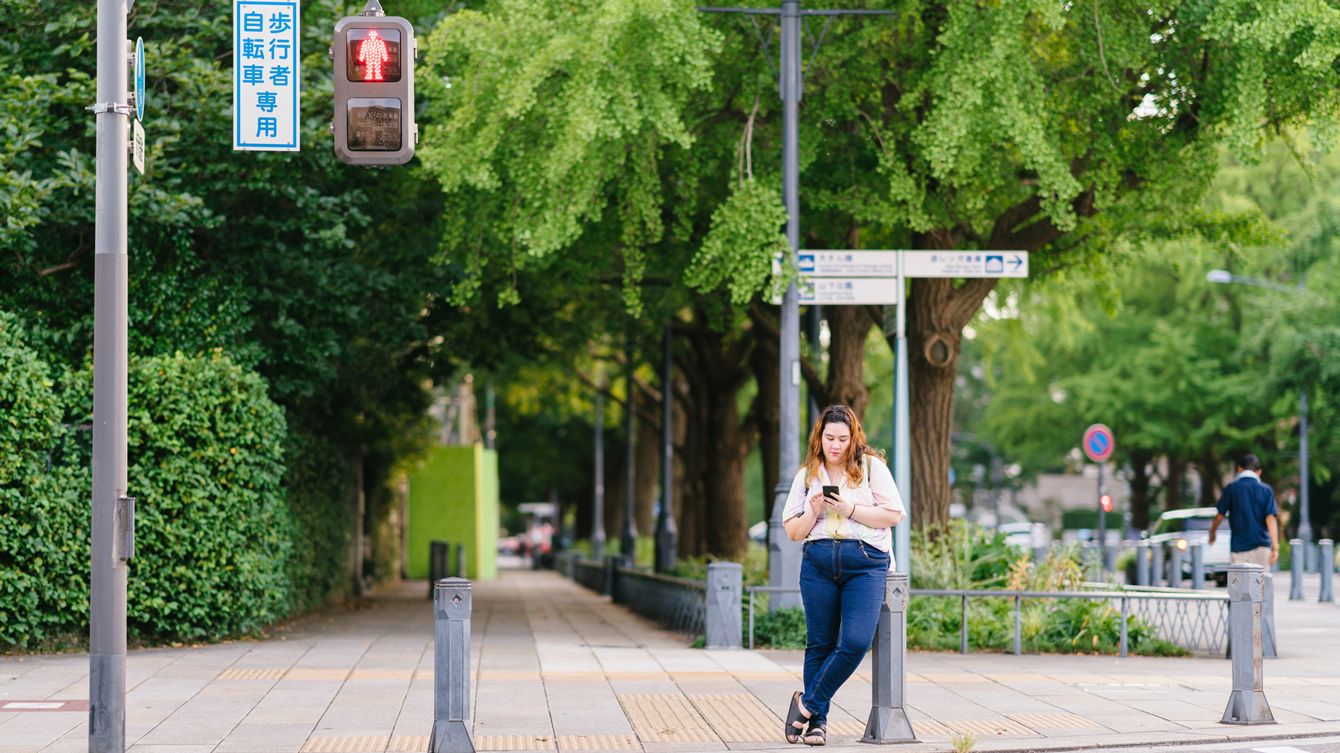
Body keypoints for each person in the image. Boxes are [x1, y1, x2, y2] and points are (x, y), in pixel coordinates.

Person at [779, 404, 904, 746]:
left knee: (855, 642)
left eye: (842, 439)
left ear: (854, 439)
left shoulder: (871, 468)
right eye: (829, 438)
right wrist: (814, 509)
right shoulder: (807, 475)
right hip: (818, 563)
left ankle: (805, 705)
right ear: (819, 438)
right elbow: (793, 532)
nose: (835, 445)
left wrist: (849, 508)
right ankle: (816, 724)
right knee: (819, 643)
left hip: (865, 562)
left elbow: (893, 515)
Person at [1209, 453, 1279, 568]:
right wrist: (1275, 547)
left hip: (1239, 548)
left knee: (1239, 579)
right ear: (1259, 472)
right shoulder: (1266, 490)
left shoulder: (1231, 488)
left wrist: (1212, 532)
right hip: (1261, 547)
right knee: (1261, 579)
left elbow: (1220, 515)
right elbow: (1270, 519)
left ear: (1239, 469)